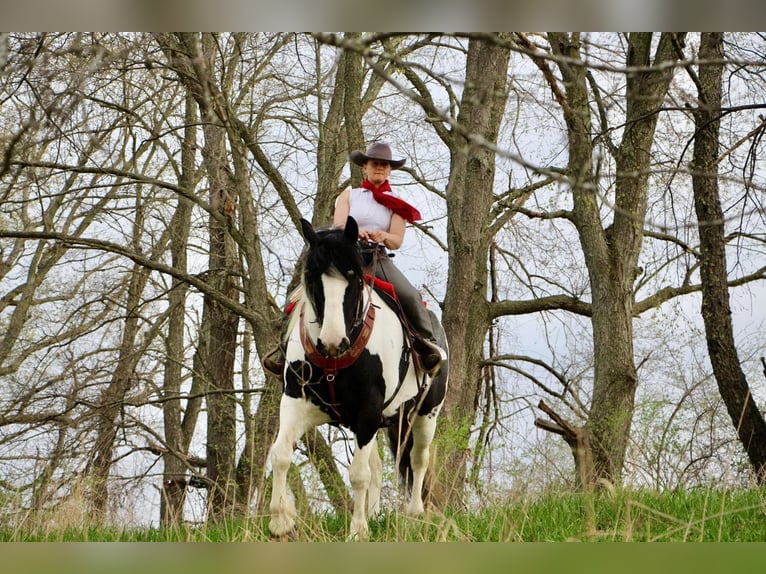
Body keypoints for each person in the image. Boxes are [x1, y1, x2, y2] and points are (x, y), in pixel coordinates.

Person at [262, 141, 446, 377]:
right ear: (365, 167)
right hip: (346, 257)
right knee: (297, 296)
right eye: (374, 164)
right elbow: (339, 225)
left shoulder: (397, 203)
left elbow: (397, 240)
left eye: (384, 165)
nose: (379, 168)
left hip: (377, 259)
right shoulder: (349, 195)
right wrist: (354, 232)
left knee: (410, 295)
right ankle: (283, 351)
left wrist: (383, 235)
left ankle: (426, 345)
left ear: (390, 170)